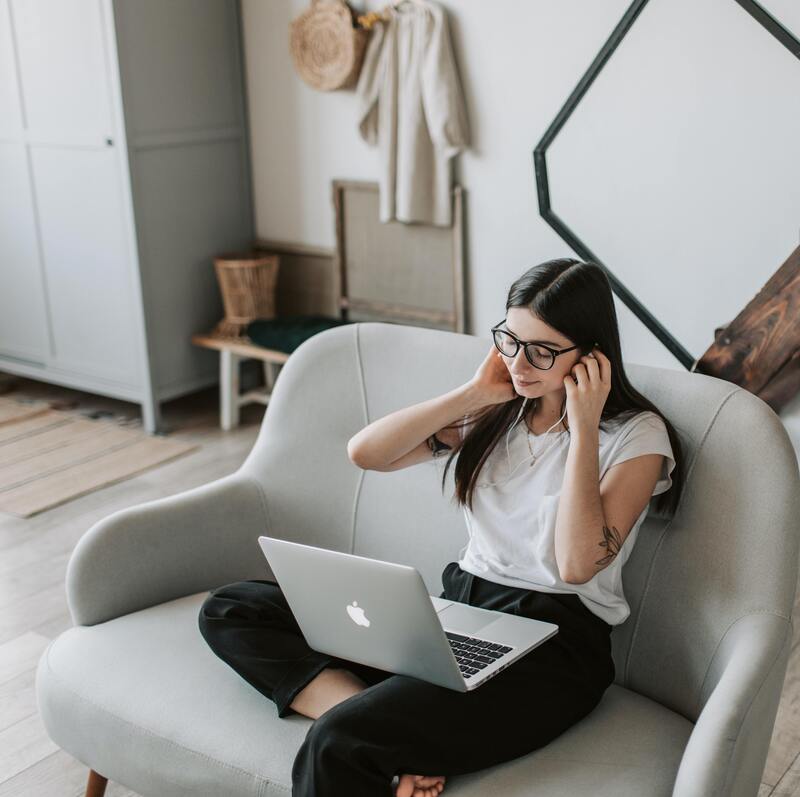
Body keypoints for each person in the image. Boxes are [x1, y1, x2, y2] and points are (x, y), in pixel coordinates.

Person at [198, 258, 684, 797]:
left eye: (543, 351)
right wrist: (475, 393)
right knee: (232, 607)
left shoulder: (637, 436)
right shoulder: (501, 413)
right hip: (458, 614)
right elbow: (367, 454)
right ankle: (374, 728)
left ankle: (369, 733)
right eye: (510, 340)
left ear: (591, 356)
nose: (520, 364)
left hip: (554, 650)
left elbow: (574, 564)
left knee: (337, 743)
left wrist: (584, 423)